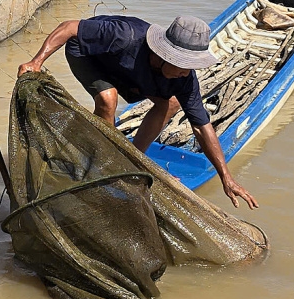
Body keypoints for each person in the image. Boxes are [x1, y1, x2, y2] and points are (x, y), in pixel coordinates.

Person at [18, 15, 258, 209]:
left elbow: (201, 126)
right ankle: (106, 160)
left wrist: (226, 177)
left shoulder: (184, 78)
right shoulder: (125, 36)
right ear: (165, 54)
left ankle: (131, 158)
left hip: (130, 75)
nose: (186, 73)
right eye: (182, 65)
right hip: (88, 55)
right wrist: (36, 62)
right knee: (107, 98)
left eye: (191, 67)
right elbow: (69, 27)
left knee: (170, 103)